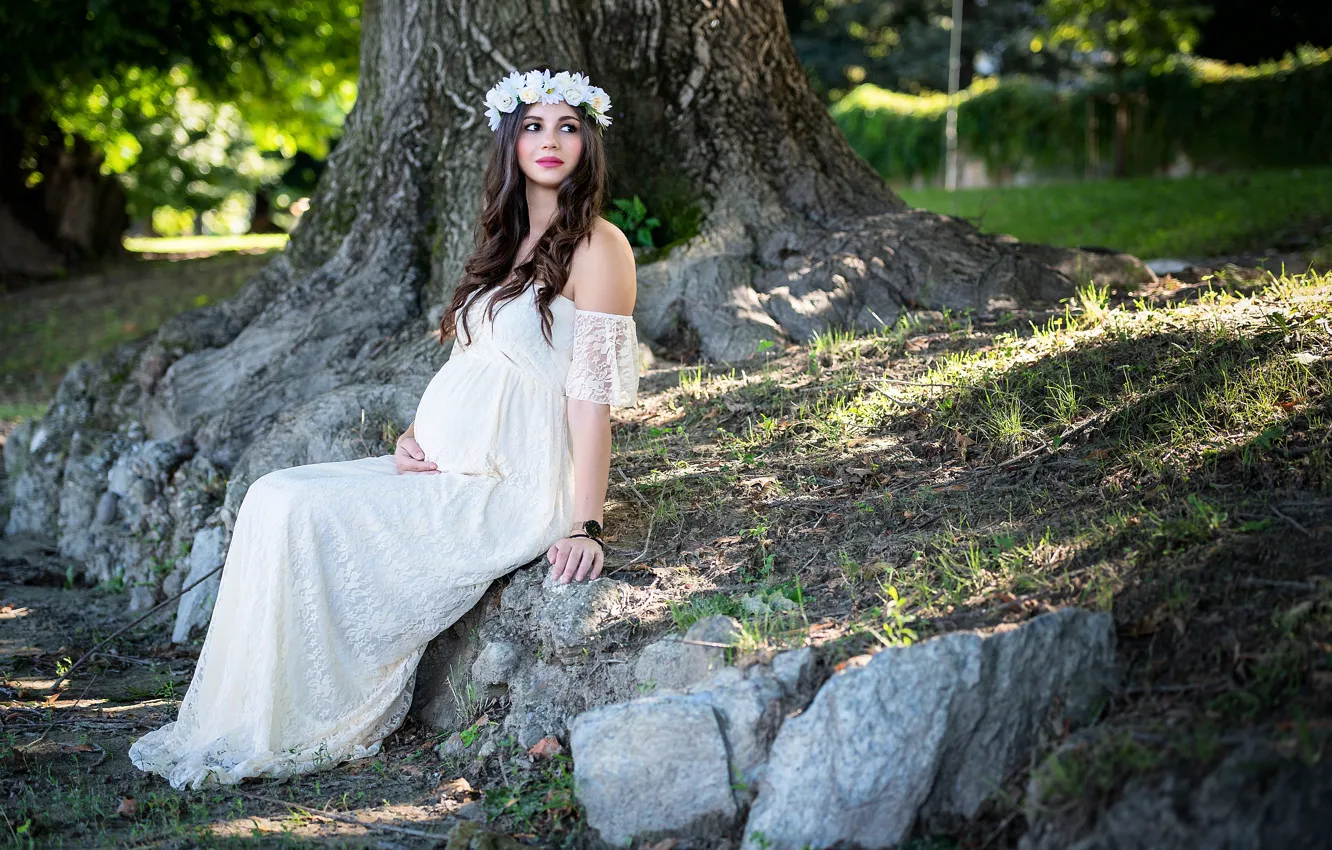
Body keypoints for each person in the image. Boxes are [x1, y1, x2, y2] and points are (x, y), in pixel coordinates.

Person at [129, 68, 640, 790]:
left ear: (588, 141)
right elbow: (478, 366)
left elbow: (592, 399)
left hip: (512, 487)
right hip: (442, 467)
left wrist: (584, 521)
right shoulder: (508, 241)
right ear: (511, 141)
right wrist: (416, 431)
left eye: (566, 127)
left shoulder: (599, 246)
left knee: (298, 507)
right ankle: (249, 710)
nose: (550, 140)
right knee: (273, 494)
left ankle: (299, 719)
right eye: (533, 126)